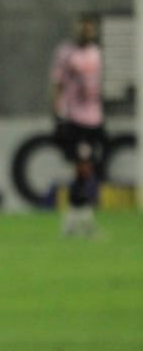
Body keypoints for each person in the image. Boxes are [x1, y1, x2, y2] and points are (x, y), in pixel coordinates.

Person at [50, 13, 104, 237]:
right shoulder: (66, 53)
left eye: (89, 28)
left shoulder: (96, 53)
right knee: (83, 166)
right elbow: (57, 84)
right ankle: (84, 219)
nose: (86, 31)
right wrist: (58, 115)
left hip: (95, 119)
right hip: (74, 118)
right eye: (83, 27)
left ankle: (73, 220)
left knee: (86, 169)